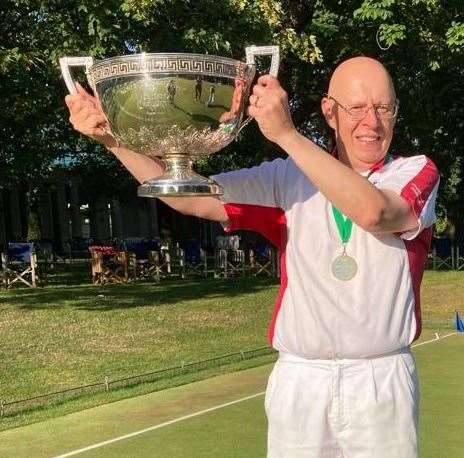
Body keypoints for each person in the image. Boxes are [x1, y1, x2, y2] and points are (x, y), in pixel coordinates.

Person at [65, 56, 439, 458]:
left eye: (383, 108)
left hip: (380, 379)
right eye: (357, 108)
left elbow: (375, 213)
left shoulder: (415, 171)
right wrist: (112, 140)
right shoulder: (284, 178)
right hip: (301, 378)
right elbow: (189, 198)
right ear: (329, 111)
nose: (372, 122)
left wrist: (288, 136)